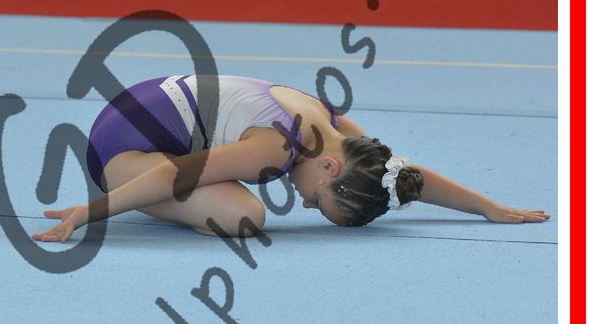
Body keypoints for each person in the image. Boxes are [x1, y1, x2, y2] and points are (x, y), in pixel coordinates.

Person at [31, 74, 550, 242]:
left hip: (148, 108)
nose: (304, 204)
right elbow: (173, 172)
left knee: (239, 208)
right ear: (329, 169)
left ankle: (151, 194)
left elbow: (397, 173)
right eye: (319, 201)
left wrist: (486, 207)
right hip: (122, 145)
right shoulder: (275, 148)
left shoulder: (337, 135)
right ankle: (123, 190)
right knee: (243, 216)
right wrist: (90, 213)